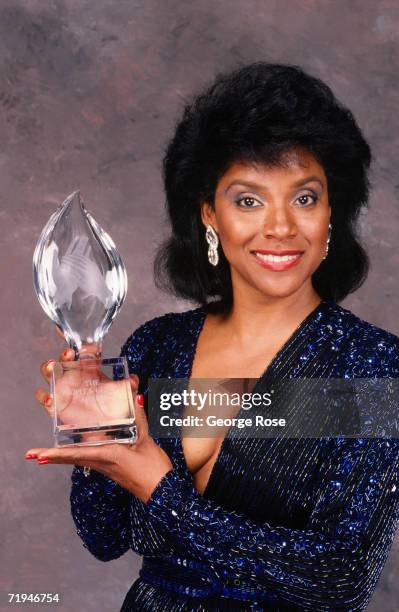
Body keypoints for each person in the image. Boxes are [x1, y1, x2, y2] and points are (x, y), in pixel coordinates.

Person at [26, 63, 399, 611]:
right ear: (209, 216)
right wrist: (95, 442)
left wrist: (160, 488)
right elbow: (105, 540)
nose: (279, 226)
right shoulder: (157, 346)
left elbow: (338, 581)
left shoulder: (372, 366)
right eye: (248, 200)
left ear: (330, 216)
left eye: (304, 198)